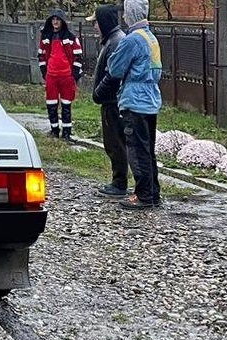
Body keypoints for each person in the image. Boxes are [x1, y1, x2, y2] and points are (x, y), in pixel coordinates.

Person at [97, 0, 160, 210]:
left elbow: (115, 68)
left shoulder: (132, 39)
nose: (123, 17)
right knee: (149, 150)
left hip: (135, 100)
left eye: (125, 12)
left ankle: (143, 195)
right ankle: (153, 192)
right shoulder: (151, 38)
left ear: (131, 14)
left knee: (137, 150)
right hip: (151, 99)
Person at [88, 3, 126, 196]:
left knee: (115, 143)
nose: (94, 26)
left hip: (113, 102)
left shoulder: (116, 42)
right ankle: (118, 181)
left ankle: (119, 183)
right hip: (111, 102)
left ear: (104, 22)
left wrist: (99, 93)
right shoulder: (111, 40)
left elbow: (113, 75)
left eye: (95, 22)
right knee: (113, 142)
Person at [37, 10, 82, 140]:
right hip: (51, 76)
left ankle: (67, 133)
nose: (55, 22)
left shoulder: (71, 37)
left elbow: (78, 56)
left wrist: (74, 75)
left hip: (66, 76)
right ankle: (54, 130)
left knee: (66, 105)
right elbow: (41, 56)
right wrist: (45, 73)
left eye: (58, 19)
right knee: (51, 104)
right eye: (53, 19)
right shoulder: (46, 37)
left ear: (62, 21)